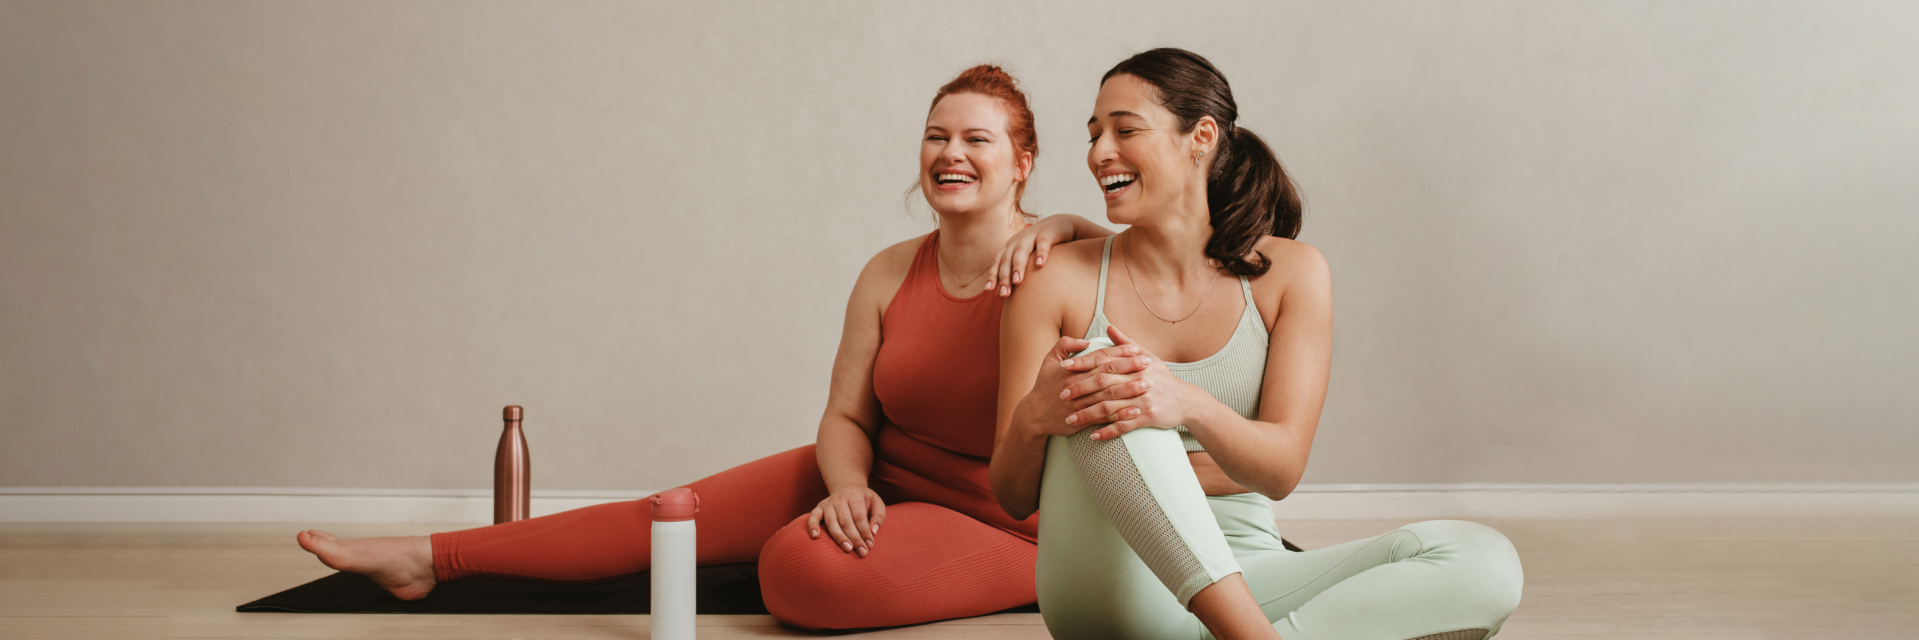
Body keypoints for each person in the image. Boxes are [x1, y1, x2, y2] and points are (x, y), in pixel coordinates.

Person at [295, 64, 1112, 630]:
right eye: (937, 137)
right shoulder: (888, 271)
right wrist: (847, 484)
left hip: (1006, 523)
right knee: (667, 516)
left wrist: (1066, 221)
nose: (950, 155)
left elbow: (1130, 261)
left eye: (976, 140)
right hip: (887, 474)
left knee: (798, 572)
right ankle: (426, 559)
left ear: (1021, 162)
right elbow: (842, 415)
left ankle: (928, 563)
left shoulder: (1057, 261)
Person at [992, 48, 1525, 640]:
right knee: (1111, 376)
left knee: (1484, 562)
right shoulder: (1054, 278)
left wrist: (1184, 404)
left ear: (1200, 136)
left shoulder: (1292, 273)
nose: (1099, 153)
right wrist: (1033, 422)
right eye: (1093, 135)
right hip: (1112, 582)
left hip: (1256, 575)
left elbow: (1279, 469)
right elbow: (1012, 496)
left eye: (1125, 130)